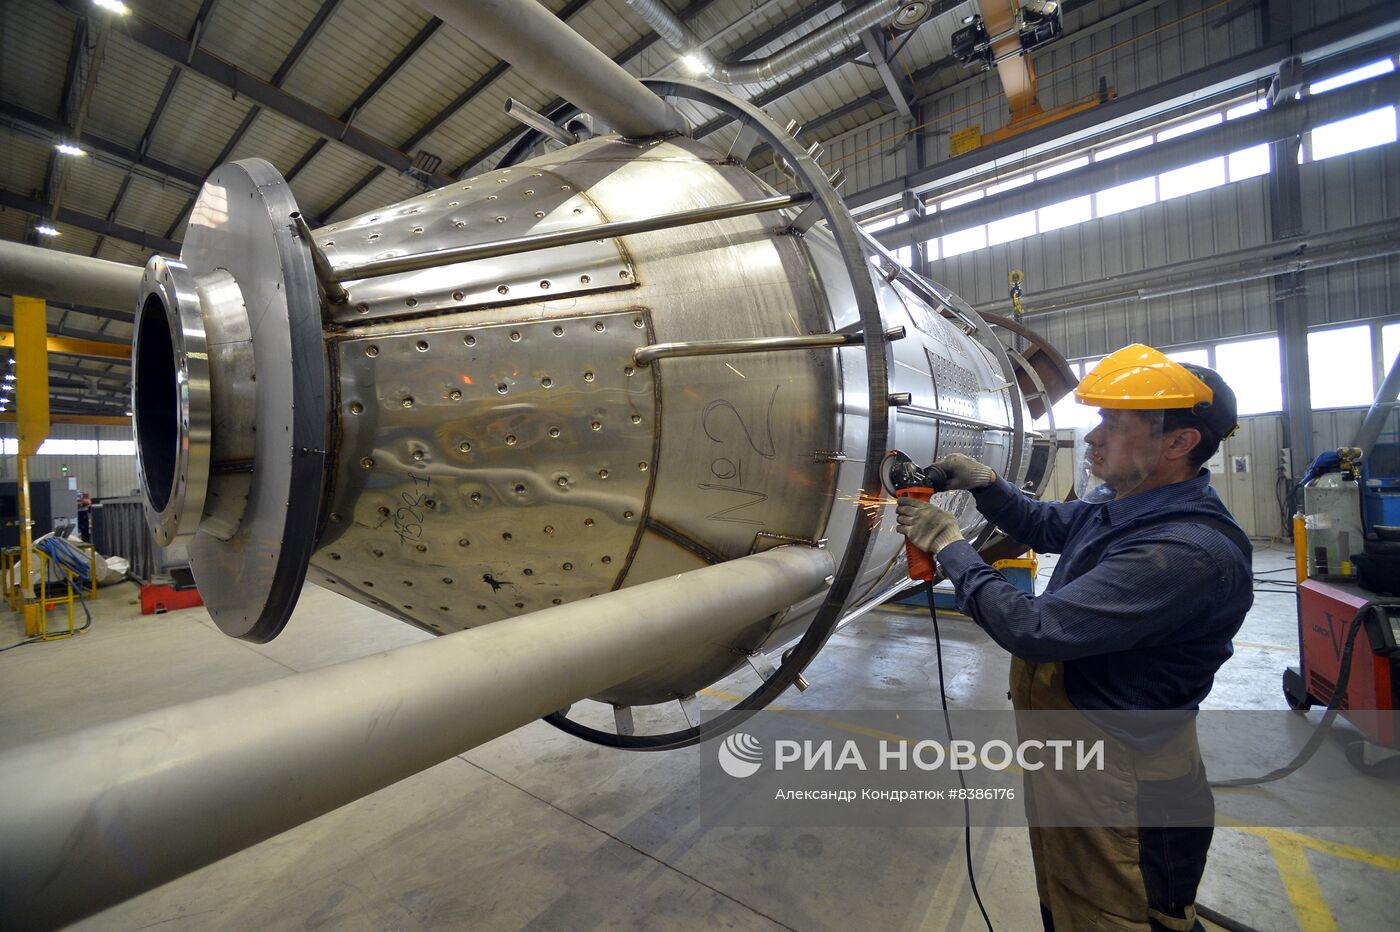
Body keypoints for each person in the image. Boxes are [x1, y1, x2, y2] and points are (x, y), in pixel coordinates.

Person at [895, 344, 1253, 932]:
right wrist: (988, 484)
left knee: (1119, 915)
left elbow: (1034, 628)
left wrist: (950, 546)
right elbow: (1049, 524)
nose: (1092, 438)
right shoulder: (1126, 507)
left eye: (1113, 423)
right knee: (1068, 902)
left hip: (1126, 786)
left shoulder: (1182, 553)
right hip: (1082, 761)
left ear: (1178, 443)